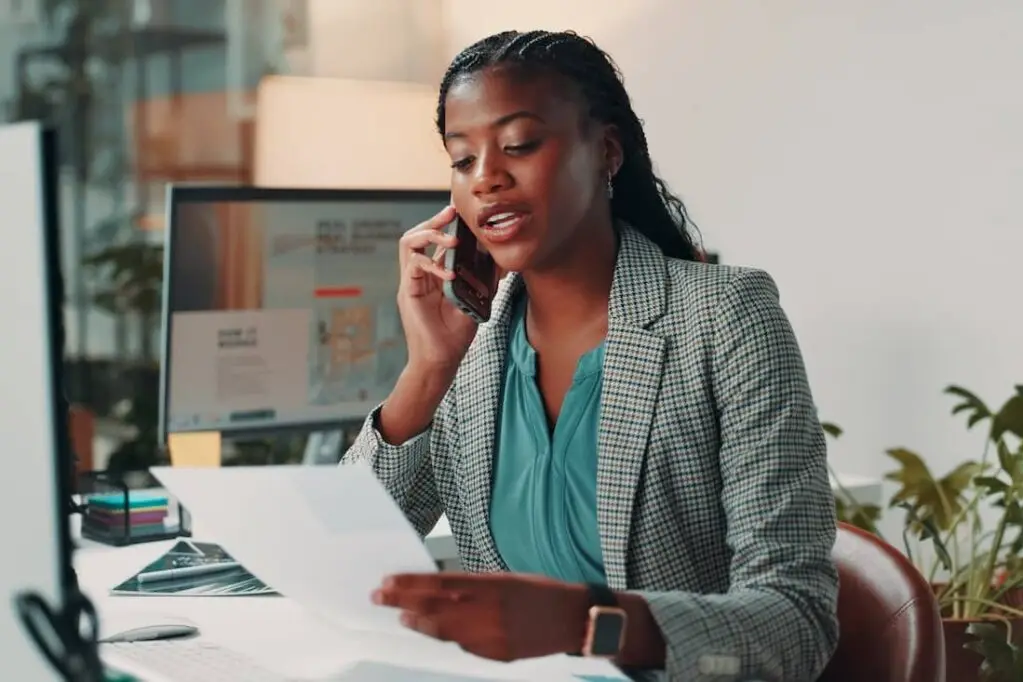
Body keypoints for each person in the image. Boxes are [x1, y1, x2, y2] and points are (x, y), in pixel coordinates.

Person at [342, 29, 839, 682]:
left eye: (519, 145)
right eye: (462, 159)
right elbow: (349, 559)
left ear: (606, 151)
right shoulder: (472, 347)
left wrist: (584, 624)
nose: (487, 176)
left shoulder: (724, 317)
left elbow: (798, 622)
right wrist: (428, 371)